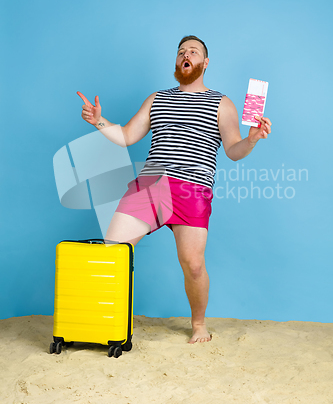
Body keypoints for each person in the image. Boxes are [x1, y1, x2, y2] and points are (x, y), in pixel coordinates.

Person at [77, 35, 272, 344]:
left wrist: (253, 139)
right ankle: (100, 322)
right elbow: (127, 135)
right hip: (151, 184)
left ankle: (198, 325)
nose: (186, 54)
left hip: (193, 190)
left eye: (193, 51)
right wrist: (99, 122)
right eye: (182, 51)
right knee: (111, 252)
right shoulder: (157, 98)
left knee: (194, 265)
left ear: (205, 63)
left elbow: (234, 150)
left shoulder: (222, 103)